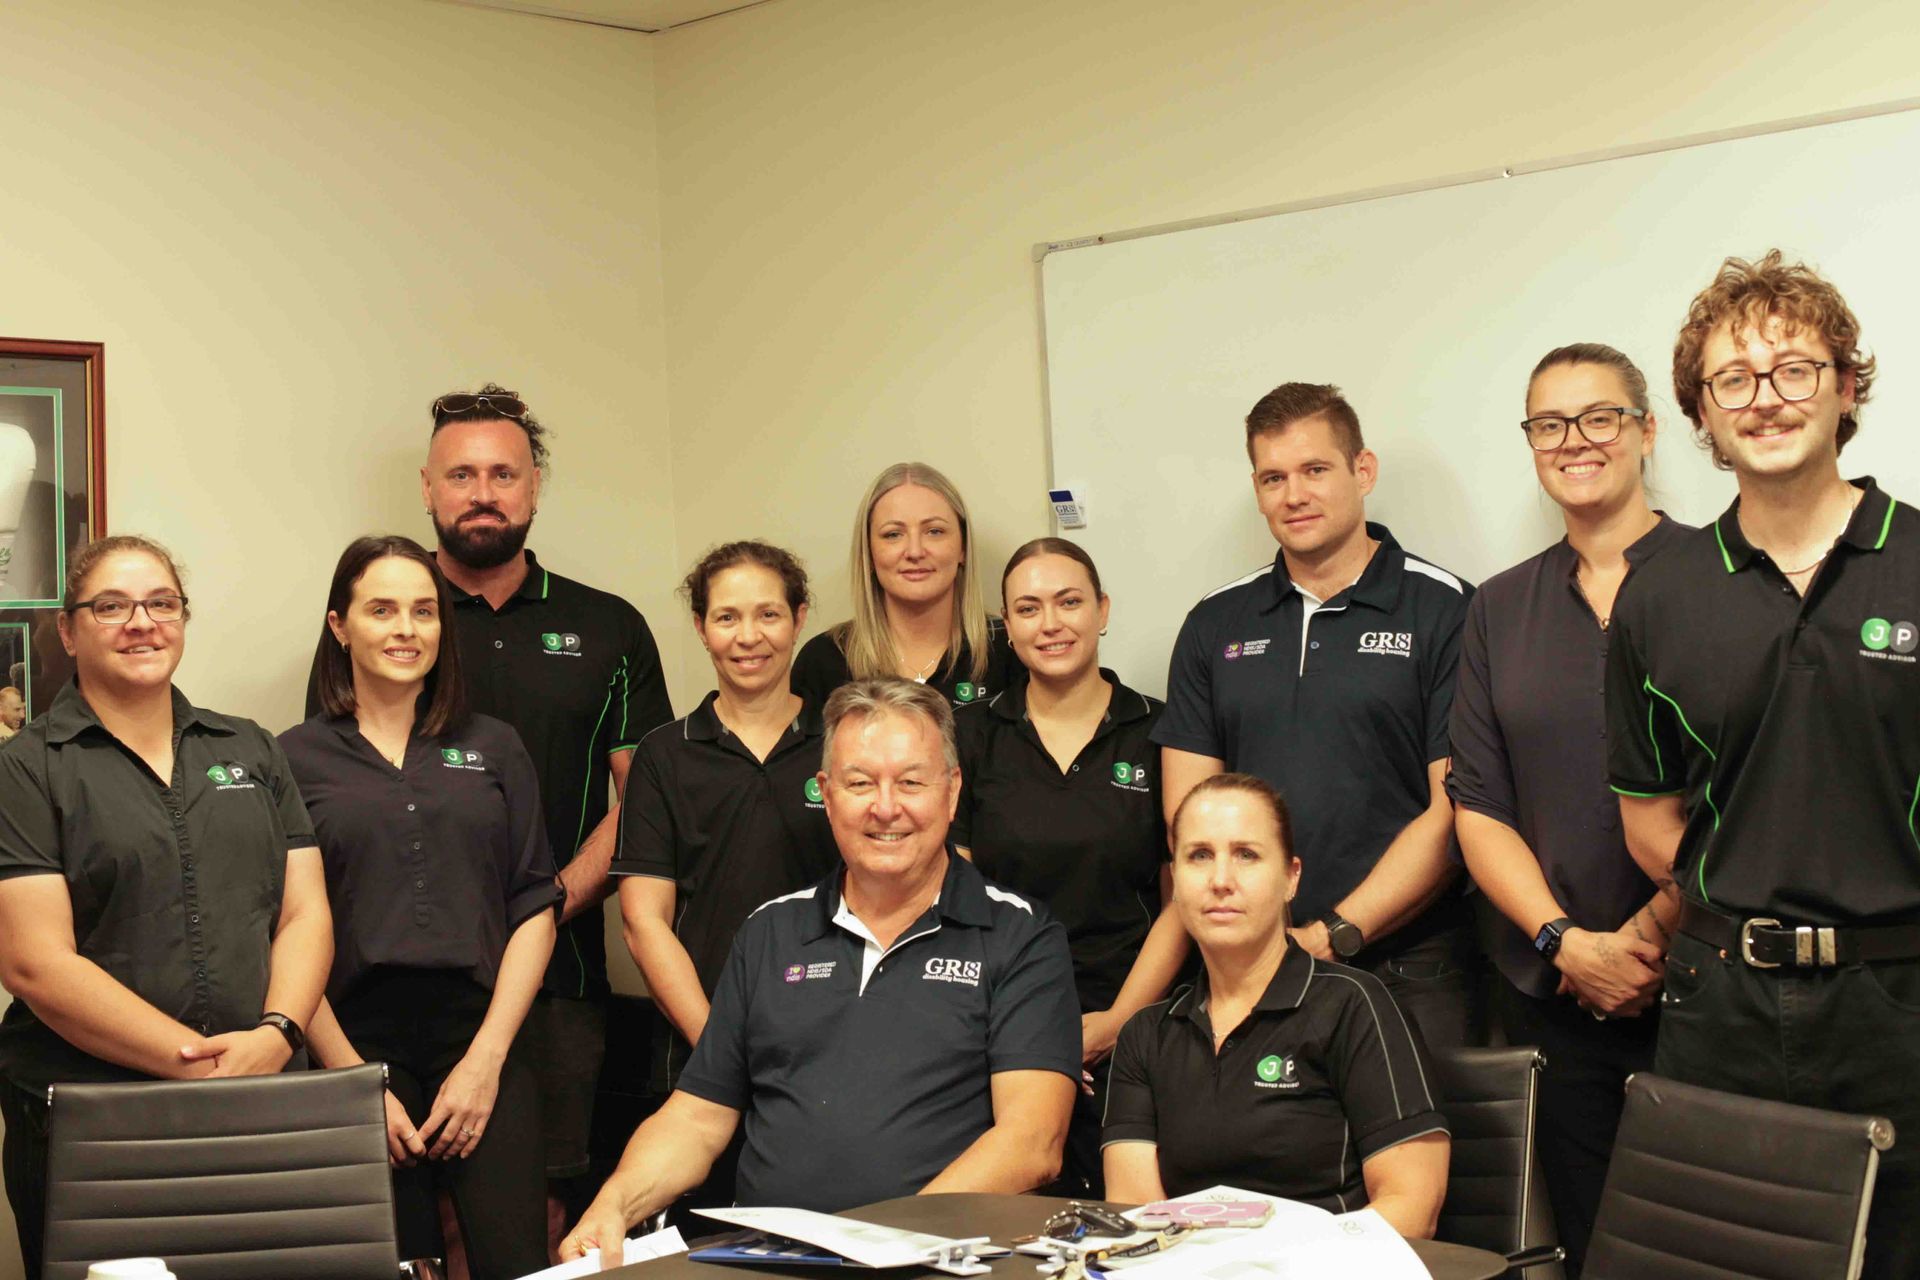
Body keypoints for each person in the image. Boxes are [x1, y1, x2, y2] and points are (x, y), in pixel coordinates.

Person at [1607, 251, 1920, 1280]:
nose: (1767, 399)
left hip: (1900, 997)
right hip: (1720, 999)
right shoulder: (1659, 595)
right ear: (1700, 411)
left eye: (1795, 368)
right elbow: (1649, 813)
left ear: (1846, 384)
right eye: (1732, 379)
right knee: (1718, 1259)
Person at [559, 679, 1080, 1267]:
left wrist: (885, 1246)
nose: (886, 807)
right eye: (860, 783)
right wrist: (614, 1204)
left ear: (952, 791)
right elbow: (699, 1117)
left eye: (911, 781)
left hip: (938, 1262)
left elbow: (1033, 1143)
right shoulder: (769, 932)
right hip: (770, 1261)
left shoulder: (1020, 935)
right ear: (827, 794)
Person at [0, 535, 332, 1279]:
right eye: (110, 606)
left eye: (161, 603)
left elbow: (304, 914)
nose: (140, 622)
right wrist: (202, 1067)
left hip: (264, 1103)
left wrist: (277, 1034)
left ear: (183, 617)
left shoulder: (250, 748)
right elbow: (35, 963)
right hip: (96, 1118)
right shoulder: (24, 770)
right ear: (68, 630)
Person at [1448, 343, 1689, 1275]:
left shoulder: (1717, 582)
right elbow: (1478, 802)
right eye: (1549, 424)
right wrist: (1566, 944)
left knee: (1713, 1243)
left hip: (1698, 986)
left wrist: (1650, 934)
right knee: (1593, 1251)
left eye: (1599, 417)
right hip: (1553, 991)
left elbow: (1746, 790)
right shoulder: (1499, 609)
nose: (1573, 441)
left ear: (1646, 431)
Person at [413, 384, 673, 1229]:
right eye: (461, 474)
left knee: (543, 1212)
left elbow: (649, 800)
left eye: (503, 473)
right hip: (412, 981)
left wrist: (552, 902)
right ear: (427, 487)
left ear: (534, 487)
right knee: (426, 1212)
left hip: (563, 974)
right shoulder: (388, 617)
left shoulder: (609, 626)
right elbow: (342, 789)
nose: (482, 491)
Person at [1152, 382, 1481, 1049]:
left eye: (1314, 470)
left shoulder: (1448, 610)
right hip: (1252, 968)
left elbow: (1454, 807)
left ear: (1363, 472)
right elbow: (1190, 813)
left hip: (1414, 970)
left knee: (1419, 1156)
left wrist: (1331, 935)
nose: (1293, 495)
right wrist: (1264, 940)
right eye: (1273, 477)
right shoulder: (1216, 622)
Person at [282, 535, 560, 1280]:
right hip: (350, 1041)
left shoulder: (495, 748)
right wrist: (352, 1081)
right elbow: (282, 933)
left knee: (516, 1260)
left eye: (423, 611)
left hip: (483, 1038)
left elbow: (535, 903)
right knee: (396, 1267)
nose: (406, 629)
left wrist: (486, 1061)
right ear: (340, 625)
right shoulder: (290, 759)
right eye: (382, 610)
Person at [1103, 773, 1449, 1237]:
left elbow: (1412, 1209)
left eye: (1246, 855)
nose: (1220, 880)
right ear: (1176, 879)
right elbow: (1139, 1221)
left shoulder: (1354, 1005)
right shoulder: (1145, 1035)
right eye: (1199, 856)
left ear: (1291, 878)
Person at [952, 537, 1185, 1195]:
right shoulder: (970, 736)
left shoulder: (1161, 731)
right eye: (1028, 609)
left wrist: (1119, 1023)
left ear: (1103, 609)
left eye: (1069, 602)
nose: (1050, 624)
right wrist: (1024, 1035)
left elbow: (1185, 899)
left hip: (1135, 1021)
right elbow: (957, 898)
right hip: (998, 1026)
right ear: (1009, 627)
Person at [611, 542, 839, 1098]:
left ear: (799, 619)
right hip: (702, 1044)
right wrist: (719, 1050)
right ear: (701, 627)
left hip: (837, 1036)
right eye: (727, 617)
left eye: (768, 614)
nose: (748, 636)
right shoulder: (664, 755)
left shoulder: (844, 743)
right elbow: (644, 923)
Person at [790, 461, 1014, 712]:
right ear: (869, 553)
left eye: (935, 531)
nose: (915, 551)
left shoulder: (1009, 650)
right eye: (893, 534)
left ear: (963, 548)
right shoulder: (823, 661)